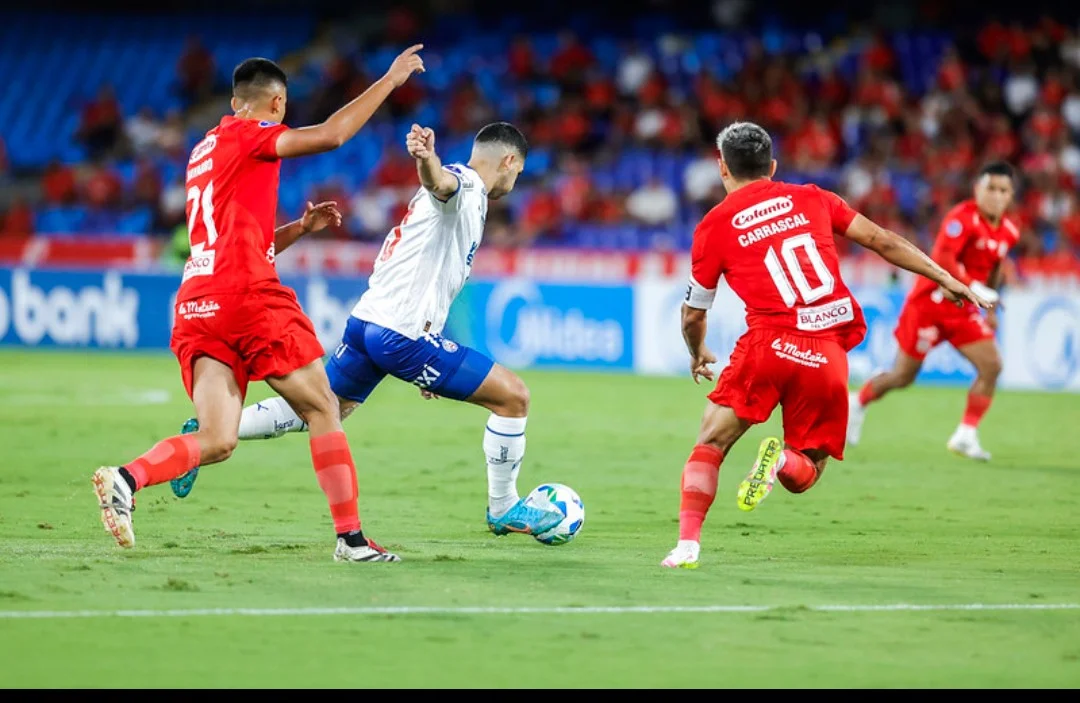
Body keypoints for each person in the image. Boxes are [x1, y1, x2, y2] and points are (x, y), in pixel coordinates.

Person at [92, 48, 426, 563]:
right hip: (247, 297)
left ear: (232, 101)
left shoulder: (203, 150)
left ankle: (127, 478)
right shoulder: (253, 135)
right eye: (283, 108)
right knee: (323, 407)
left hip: (198, 303)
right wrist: (389, 80)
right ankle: (351, 540)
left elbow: (230, 241)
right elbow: (333, 135)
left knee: (219, 438)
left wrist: (297, 229)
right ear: (275, 102)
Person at [170, 121, 567, 538]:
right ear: (508, 161)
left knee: (323, 408)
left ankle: (210, 432)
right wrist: (425, 159)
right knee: (513, 398)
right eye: (518, 171)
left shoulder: (467, 198)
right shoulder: (466, 185)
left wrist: (433, 339)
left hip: (368, 324)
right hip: (399, 334)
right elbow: (440, 183)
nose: (515, 179)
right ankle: (503, 507)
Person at [660, 122, 991, 569]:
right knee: (807, 471)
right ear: (772, 166)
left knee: (711, 443)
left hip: (768, 345)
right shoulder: (814, 198)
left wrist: (696, 352)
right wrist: (947, 278)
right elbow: (882, 241)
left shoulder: (714, 226)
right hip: (826, 351)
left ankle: (686, 547)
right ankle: (780, 465)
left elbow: (694, 313)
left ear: (722, 168)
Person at [846, 162, 1019, 461]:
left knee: (992, 366)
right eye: (991, 188)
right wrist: (971, 286)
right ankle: (857, 401)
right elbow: (943, 259)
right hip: (929, 306)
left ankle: (966, 435)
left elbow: (995, 266)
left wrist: (989, 305)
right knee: (902, 376)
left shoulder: (1009, 231)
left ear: (1011, 195)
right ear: (977, 189)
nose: (996, 196)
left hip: (963, 310)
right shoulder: (961, 219)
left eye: (1003, 190)